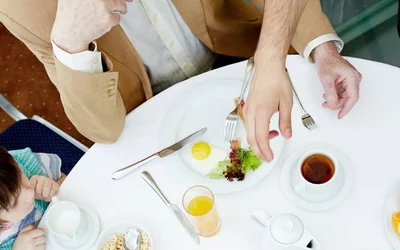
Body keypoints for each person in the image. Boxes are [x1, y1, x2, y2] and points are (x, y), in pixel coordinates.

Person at [0, 0, 361, 158]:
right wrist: (71, 42)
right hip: (145, 109)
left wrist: (320, 50)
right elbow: (103, 130)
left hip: (241, 51)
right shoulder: (22, 6)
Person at [0, 147, 62, 250]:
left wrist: (54, 189)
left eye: (20, 175)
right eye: (14, 202)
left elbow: (68, 181)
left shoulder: (18, 163)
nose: (29, 192)